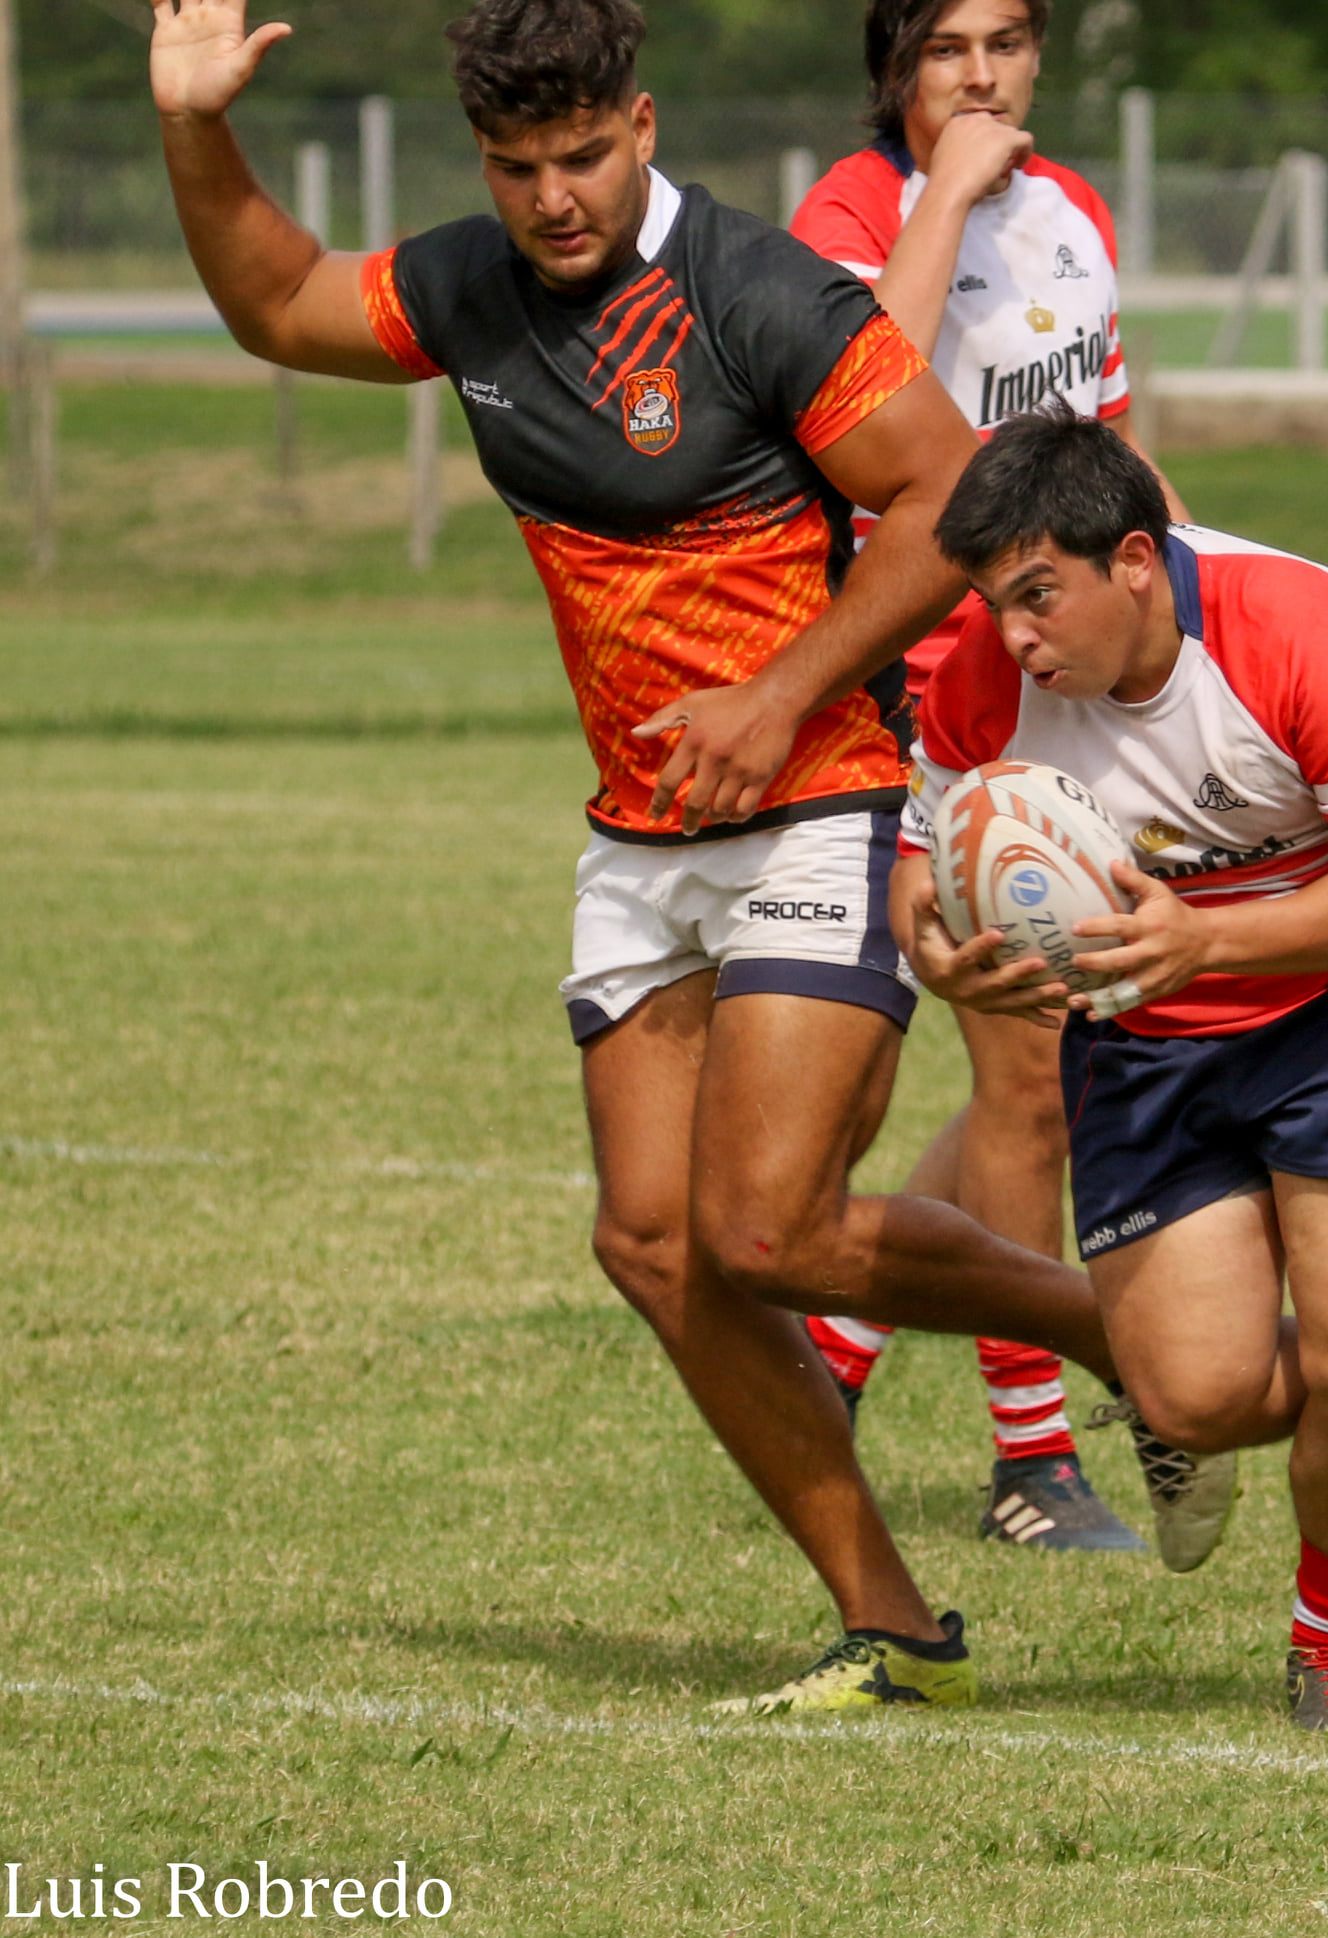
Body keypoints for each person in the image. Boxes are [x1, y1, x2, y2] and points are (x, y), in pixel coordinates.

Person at [148, 0, 1133, 1715]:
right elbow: (277, 300)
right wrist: (192, 124)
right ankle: (896, 1623)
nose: (553, 198)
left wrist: (784, 685)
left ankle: (1132, 1334)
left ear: (646, 122)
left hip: (819, 793)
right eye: (518, 167)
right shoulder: (469, 290)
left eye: (583, 155)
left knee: (761, 1227)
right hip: (640, 831)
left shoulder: (760, 294)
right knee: (657, 1246)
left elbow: (948, 495)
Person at [894, 403, 1328, 1728]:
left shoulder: (1298, 627)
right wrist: (938, 950)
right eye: (994, 603)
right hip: (1147, 1044)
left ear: (1133, 560)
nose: (1014, 635)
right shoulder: (984, 679)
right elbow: (921, 865)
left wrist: (1209, 937)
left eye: (1038, 595)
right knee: (1195, 1393)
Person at [791, 0, 1225, 1564]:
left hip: (1068, 671)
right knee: (1026, 1077)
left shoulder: (1078, 213)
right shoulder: (845, 217)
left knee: (1020, 1076)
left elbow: (1102, 444)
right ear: (893, 68)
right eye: (947, 46)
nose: (983, 76)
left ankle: (830, 1367)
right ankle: (1034, 1458)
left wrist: (1210, 574)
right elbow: (861, 404)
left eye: (1009, 41)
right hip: (923, 679)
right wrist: (950, 196)